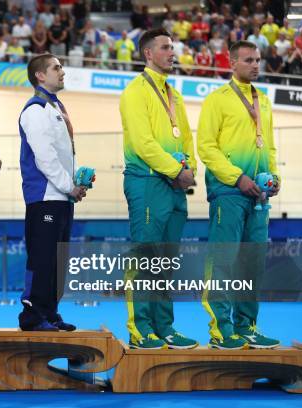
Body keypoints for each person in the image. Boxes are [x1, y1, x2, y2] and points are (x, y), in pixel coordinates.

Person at [197, 40, 280, 350]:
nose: (256, 65)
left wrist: (274, 177)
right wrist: (237, 177)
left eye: (258, 59)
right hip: (229, 191)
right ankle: (221, 331)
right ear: (231, 63)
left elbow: (268, 145)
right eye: (248, 60)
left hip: (259, 196)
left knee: (251, 264)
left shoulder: (264, 101)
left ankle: (246, 327)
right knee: (224, 262)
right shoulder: (217, 100)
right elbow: (206, 147)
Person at [119, 28, 198, 350]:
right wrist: (177, 170)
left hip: (174, 185)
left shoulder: (173, 94)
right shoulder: (135, 92)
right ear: (148, 54)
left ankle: (165, 327)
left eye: (173, 47)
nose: (172, 52)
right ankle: (141, 331)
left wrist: (189, 167)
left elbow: (185, 138)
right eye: (166, 47)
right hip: (148, 183)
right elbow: (143, 143)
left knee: (165, 263)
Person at [17, 54, 85, 332]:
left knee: (57, 264)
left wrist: (74, 185)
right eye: (56, 68)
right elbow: (45, 158)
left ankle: (49, 313)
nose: (62, 71)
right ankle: (32, 316)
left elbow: (62, 154)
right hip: (44, 198)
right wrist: (69, 186)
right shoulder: (35, 109)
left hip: (62, 198)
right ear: (40, 76)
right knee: (42, 260)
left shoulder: (56, 107)